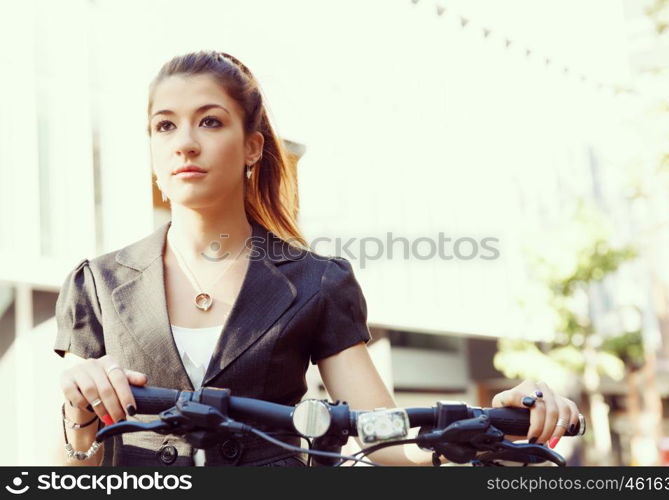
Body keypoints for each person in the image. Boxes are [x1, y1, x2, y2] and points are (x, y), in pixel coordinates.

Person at [54, 50, 581, 466]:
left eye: (210, 122)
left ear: (253, 147)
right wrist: (78, 414)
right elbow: (71, 467)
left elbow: (392, 442)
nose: (185, 143)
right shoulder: (97, 285)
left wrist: (494, 421)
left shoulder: (316, 283)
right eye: (165, 126)